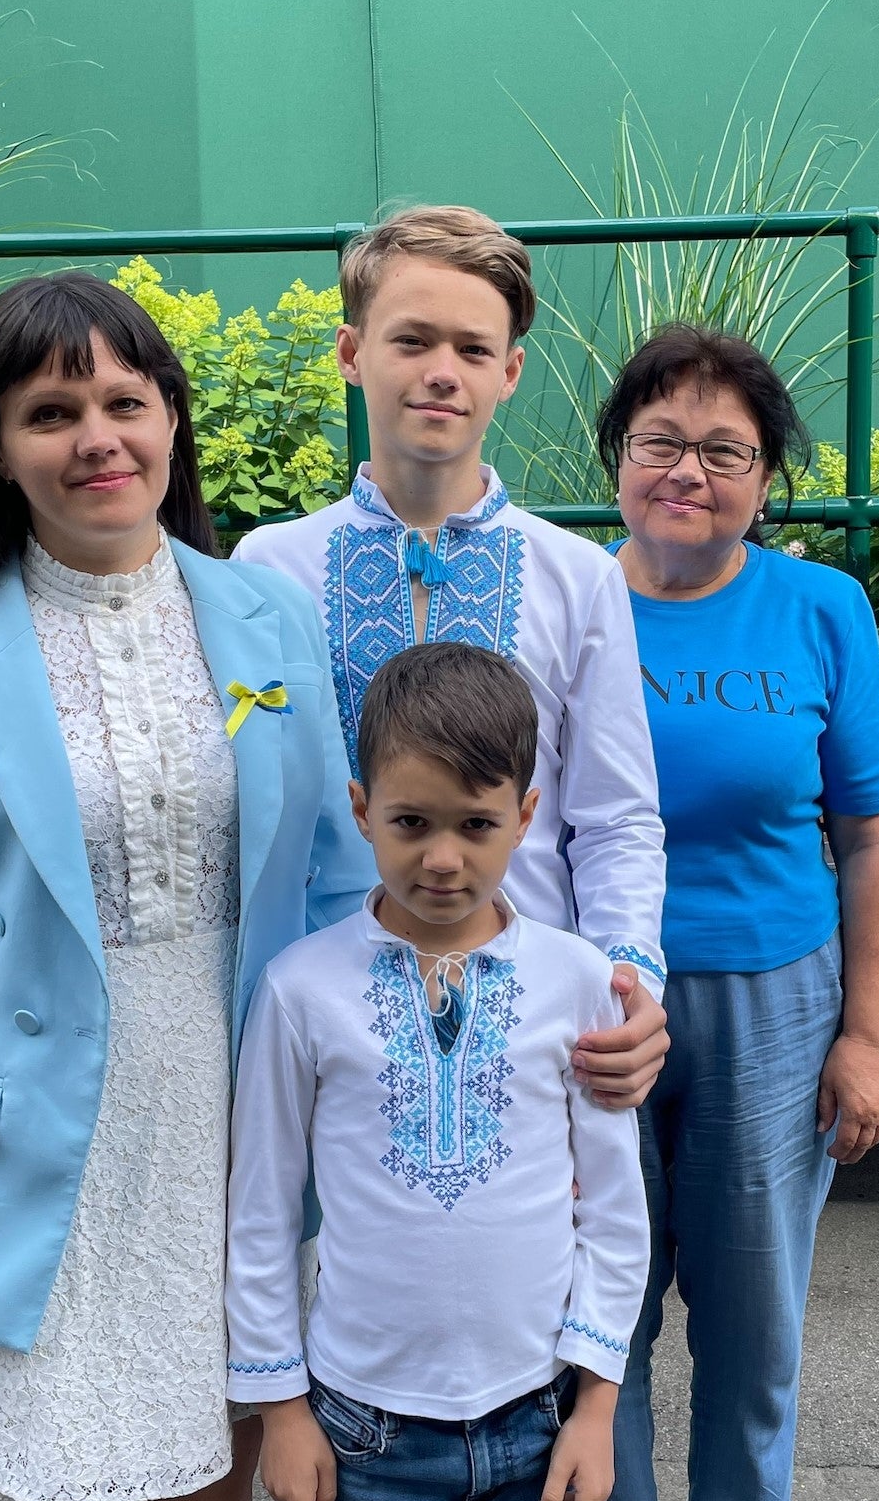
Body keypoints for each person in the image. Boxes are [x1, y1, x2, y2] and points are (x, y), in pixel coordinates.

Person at [0, 271, 371, 1501]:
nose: (97, 439)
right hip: (37, 1158)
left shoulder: (265, 619)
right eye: (50, 411)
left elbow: (333, 884)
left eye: (126, 402)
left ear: (174, 423)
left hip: (238, 1135)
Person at [570, 325, 879, 1501]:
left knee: (751, 1289)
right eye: (660, 441)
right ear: (617, 459)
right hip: (599, 990)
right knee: (598, 1270)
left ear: (765, 477)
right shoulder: (564, 595)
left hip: (773, 989)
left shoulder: (819, 608)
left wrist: (865, 1033)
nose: (688, 469)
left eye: (726, 449)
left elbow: (873, 836)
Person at [225, 640, 651, 1501]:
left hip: (540, 1425)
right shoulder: (301, 990)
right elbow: (258, 1213)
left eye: (476, 823)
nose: (444, 857)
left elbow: (616, 1213)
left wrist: (596, 1409)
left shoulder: (578, 979)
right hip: (363, 1437)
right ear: (361, 806)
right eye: (411, 821)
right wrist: (280, 1410)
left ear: (526, 818)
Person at [230, 204, 671, 1109]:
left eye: (473, 350)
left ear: (509, 373)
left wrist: (629, 984)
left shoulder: (577, 576)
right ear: (352, 354)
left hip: (535, 1017)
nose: (441, 374)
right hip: (324, 1020)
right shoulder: (267, 567)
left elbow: (617, 816)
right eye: (412, 341)